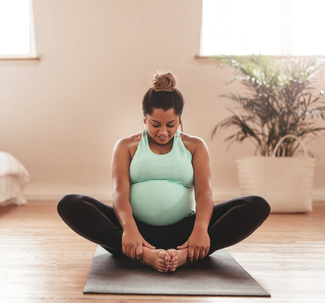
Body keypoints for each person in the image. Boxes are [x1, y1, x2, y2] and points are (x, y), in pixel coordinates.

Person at [57, 71, 270, 273]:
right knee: (70, 203)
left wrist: (200, 230)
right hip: (134, 231)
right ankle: (143, 253)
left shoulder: (195, 146)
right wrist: (129, 230)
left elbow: (204, 193)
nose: (163, 132)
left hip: (184, 232)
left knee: (256, 205)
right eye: (155, 124)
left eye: (171, 124)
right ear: (144, 119)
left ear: (180, 120)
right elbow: (119, 194)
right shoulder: (126, 146)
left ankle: (187, 253)